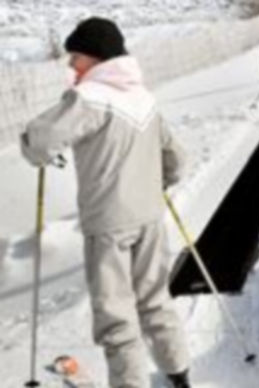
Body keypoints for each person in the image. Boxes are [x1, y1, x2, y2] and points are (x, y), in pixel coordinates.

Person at [19, 17, 191, 388]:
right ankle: (179, 375)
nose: (70, 65)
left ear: (96, 59)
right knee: (155, 300)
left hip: (109, 224)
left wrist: (29, 143)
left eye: (76, 57)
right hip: (149, 219)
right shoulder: (144, 99)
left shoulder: (89, 98)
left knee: (116, 315)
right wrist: (153, 182)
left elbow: (41, 141)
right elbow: (176, 160)